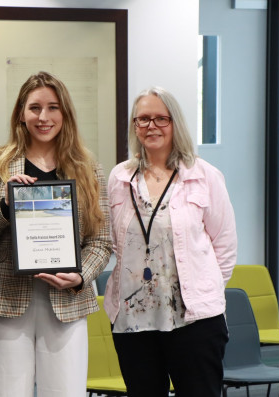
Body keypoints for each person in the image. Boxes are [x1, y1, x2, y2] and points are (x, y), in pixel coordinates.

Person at [0, 71, 112, 397]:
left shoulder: (87, 166)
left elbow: (101, 241)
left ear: (65, 113)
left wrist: (81, 276)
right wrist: (3, 206)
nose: (43, 117)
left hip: (67, 303)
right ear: (21, 113)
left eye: (53, 107)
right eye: (34, 108)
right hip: (7, 302)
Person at [103, 86, 237, 397]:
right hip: (133, 319)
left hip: (194, 319)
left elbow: (225, 247)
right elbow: (111, 238)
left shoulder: (204, 175)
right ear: (134, 126)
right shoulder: (120, 178)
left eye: (161, 118)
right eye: (143, 119)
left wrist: (205, 290)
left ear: (175, 123)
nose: (151, 126)